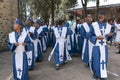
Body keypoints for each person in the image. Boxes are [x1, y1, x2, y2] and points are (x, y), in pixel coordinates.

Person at [90, 11, 112, 80]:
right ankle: (96, 74)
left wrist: (109, 36)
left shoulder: (108, 26)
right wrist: (96, 37)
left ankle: (103, 75)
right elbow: (89, 35)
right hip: (96, 46)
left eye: (102, 16)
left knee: (104, 60)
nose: (101, 17)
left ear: (104, 16)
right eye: (100, 16)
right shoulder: (94, 25)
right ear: (98, 16)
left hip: (104, 46)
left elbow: (108, 38)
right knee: (96, 60)